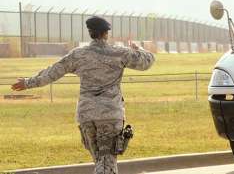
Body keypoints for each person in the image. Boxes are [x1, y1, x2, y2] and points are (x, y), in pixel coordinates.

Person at [11, 16, 155, 174]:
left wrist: (27, 83)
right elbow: (147, 61)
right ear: (106, 33)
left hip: (87, 117)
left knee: (100, 160)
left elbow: (52, 73)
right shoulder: (118, 53)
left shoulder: (78, 55)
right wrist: (137, 49)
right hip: (110, 115)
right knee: (107, 163)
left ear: (90, 33)